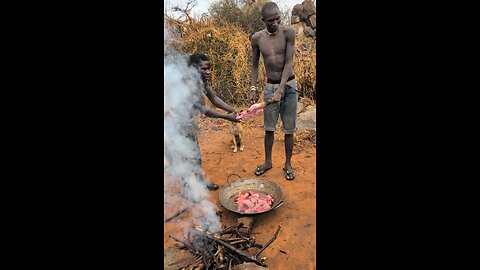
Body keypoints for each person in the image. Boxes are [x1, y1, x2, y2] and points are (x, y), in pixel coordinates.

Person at [248, 2, 298, 180]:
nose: (275, 22)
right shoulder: (257, 38)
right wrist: (253, 87)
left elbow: (289, 63)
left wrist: (281, 89)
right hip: (270, 86)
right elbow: (254, 65)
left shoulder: (288, 33)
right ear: (263, 20)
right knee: (269, 128)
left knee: (289, 129)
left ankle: (288, 164)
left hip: (290, 86)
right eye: (270, 20)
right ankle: (268, 162)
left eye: (278, 18)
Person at [185, 52, 241, 191]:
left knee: (195, 154)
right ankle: (188, 189)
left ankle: (199, 182)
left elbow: (214, 98)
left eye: (209, 68)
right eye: (204, 69)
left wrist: (232, 110)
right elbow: (204, 110)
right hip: (177, 125)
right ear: (193, 68)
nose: (208, 72)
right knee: (184, 157)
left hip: (189, 122)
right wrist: (227, 117)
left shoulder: (201, 81)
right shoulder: (187, 83)